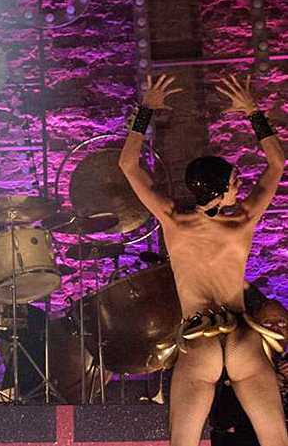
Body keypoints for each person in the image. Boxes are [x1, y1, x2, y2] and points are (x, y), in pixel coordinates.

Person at [118, 74, 286, 446]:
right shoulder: (243, 221)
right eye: (234, 181)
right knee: (276, 440)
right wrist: (254, 112)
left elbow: (128, 165)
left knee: (184, 441)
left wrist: (145, 109)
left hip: (201, 336)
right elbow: (277, 163)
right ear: (220, 190)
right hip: (243, 335)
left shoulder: (173, 221)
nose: (239, 185)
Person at [210, 299, 288, 446]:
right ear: (255, 327)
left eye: (282, 323)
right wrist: (258, 386)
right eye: (267, 324)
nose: (275, 329)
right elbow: (220, 420)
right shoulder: (231, 362)